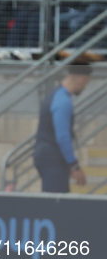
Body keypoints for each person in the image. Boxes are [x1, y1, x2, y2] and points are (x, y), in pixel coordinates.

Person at [33, 60, 91, 192]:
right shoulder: (63, 101)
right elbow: (63, 137)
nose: (84, 88)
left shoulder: (55, 93)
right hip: (52, 159)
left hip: (48, 156)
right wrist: (74, 165)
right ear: (81, 79)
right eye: (86, 83)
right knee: (56, 205)